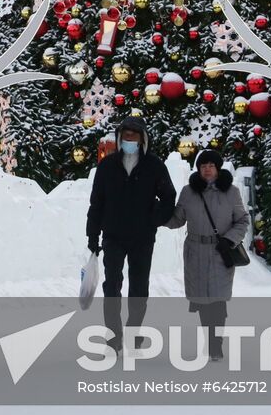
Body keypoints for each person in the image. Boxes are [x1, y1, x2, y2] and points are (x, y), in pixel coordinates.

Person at [85, 117, 176, 353]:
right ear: (119, 137)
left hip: (142, 238)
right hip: (113, 235)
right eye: (126, 135)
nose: (129, 139)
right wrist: (93, 236)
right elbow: (97, 202)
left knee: (139, 287)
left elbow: (168, 198)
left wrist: (153, 219)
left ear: (143, 138)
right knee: (111, 285)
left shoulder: (154, 166)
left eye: (134, 136)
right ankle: (114, 336)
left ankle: (134, 332)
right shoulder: (107, 166)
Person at [165, 150, 249, 361]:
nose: (207, 169)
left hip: (221, 252)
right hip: (195, 252)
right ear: (198, 169)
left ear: (218, 168)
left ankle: (215, 345)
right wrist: (157, 213)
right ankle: (210, 340)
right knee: (203, 301)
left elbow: (242, 221)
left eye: (211, 165)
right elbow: (177, 220)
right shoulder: (188, 192)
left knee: (218, 300)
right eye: (203, 166)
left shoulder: (231, 192)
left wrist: (230, 239)